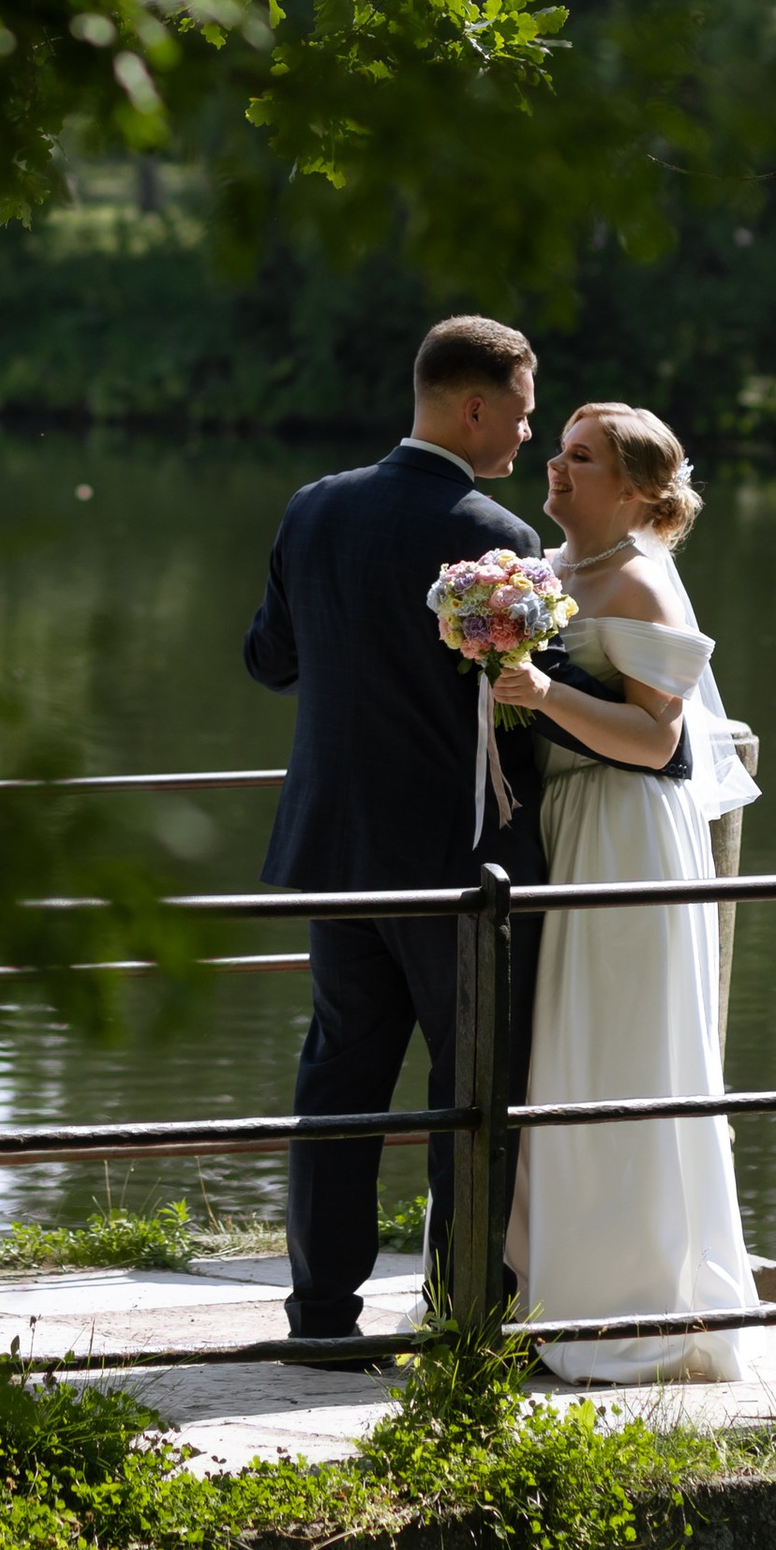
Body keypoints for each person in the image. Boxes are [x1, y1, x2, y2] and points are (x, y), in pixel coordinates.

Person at [243, 313, 551, 1356]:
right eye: (517, 412)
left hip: (335, 851)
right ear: (472, 405)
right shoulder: (498, 541)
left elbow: (269, 662)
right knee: (472, 1094)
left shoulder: (314, 508)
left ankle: (320, 1315)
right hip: (456, 862)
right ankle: (467, 1319)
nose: (523, 436)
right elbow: (517, 708)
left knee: (339, 1080)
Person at [494, 402, 759, 1384]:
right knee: (550, 1059)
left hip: (624, 837)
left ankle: (630, 1299)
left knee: (613, 1052)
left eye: (582, 458)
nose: (555, 469)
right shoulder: (550, 576)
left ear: (639, 490)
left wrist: (542, 694)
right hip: (558, 825)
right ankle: (542, 1283)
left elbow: (659, 744)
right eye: (557, 451)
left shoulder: (644, 587)